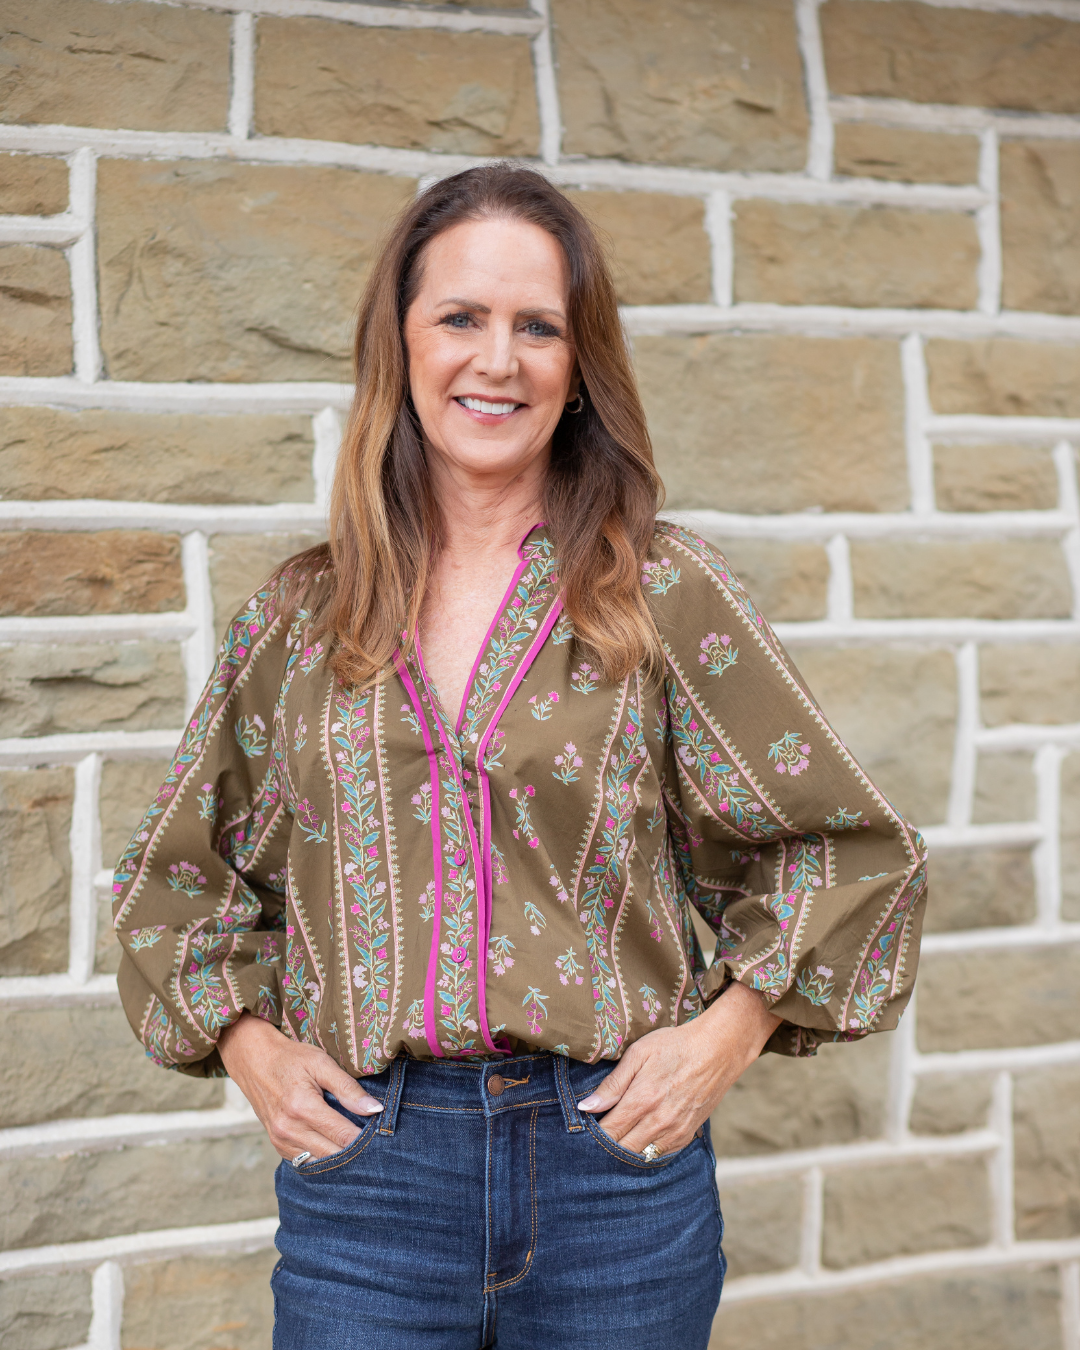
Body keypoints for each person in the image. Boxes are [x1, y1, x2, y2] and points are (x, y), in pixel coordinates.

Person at [113, 164, 928, 1349]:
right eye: (461, 317)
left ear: (578, 364)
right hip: (370, 1191)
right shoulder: (303, 618)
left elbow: (850, 850)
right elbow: (176, 883)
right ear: (400, 344)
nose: (497, 360)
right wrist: (252, 1050)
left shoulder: (660, 591)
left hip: (614, 1183)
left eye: (537, 327)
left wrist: (723, 1039)